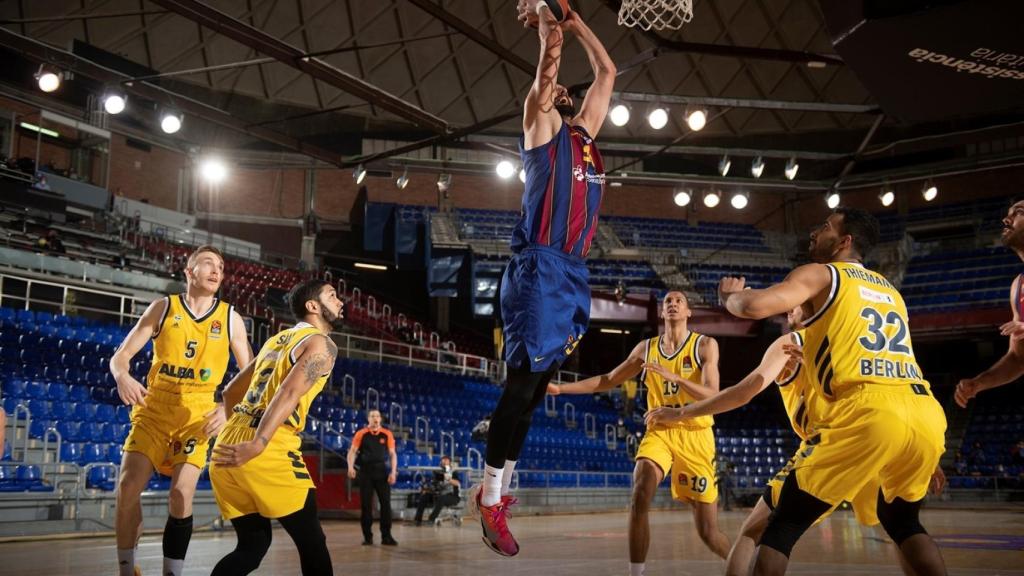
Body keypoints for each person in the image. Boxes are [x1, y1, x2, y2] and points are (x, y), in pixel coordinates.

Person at [716, 207, 947, 576]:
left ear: (844, 241)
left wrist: (729, 297)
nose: (815, 231)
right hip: (924, 412)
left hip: (867, 410)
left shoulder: (822, 274)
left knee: (781, 529)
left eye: (824, 226)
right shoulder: (890, 290)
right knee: (904, 523)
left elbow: (755, 306)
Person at [646, 305, 943, 576]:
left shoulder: (791, 344)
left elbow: (743, 391)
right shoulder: (846, 342)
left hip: (832, 443)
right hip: (879, 436)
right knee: (902, 525)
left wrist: (681, 413)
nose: (789, 310)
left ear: (816, 306)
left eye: (797, 304)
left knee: (759, 531)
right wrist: (920, 452)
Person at [477, 0, 616, 557]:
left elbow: (607, 74)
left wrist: (575, 19)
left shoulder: (587, 136)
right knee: (520, 388)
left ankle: (498, 487)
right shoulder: (539, 125)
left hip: (573, 274)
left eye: (565, 92)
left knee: (534, 394)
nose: (561, 92)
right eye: (556, 90)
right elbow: (547, 71)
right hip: (539, 266)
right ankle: (489, 498)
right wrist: (546, 25)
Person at [551, 291, 730, 576]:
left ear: (688, 312)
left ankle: (747, 565)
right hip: (659, 430)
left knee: (708, 532)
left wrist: (675, 378)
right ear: (661, 312)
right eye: (667, 301)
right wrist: (562, 389)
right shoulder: (646, 349)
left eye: (679, 301)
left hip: (695, 434)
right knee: (640, 492)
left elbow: (713, 395)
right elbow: (609, 379)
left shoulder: (705, 345)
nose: (672, 304)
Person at [108, 245, 252, 576]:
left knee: (180, 494)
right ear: (189, 272)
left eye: (220, 266)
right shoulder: (163, 308)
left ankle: (172, 572)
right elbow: (120, 356)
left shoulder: (230, 319)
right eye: (208, 264)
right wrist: (122, 376)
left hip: (198, 415)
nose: (217, 270)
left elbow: (251, 377)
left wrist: (227, 410)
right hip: (155, 409)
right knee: (127, 487)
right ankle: (127, 570)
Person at [208, 279, 343, 576]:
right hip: (266, 446)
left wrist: (242, 430)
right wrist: (258, 441)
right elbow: (289, 393)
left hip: (227, 444)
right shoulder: (322, 343)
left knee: (251, 547)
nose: (340, 302)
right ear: (312, 306)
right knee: (312, 543)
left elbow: (230, 392)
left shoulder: (274, 340)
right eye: (332, 296)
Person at [956, 198, 1024, 407]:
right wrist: (980, 383)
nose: (1006, 219)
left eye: (1018, 212)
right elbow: (1018, 358)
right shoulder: (1018, 285)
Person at [347, 409, 399, 546]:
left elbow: (392, 454)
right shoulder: (361, 433)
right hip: (366, 472)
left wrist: (393, 472)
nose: (375, 418)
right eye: (372, 416)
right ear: (368, 419)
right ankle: (367, 536)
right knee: (366, 505)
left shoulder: (387, 434)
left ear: (380, 419)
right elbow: (352, 452)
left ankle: (386, 536)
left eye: (377, 416)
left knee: (386, 504)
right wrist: (350, 467)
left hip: (381, 472)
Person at [414, 455, 461, 526]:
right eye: (443, 460)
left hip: (453, 496)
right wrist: (427, 490)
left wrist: (448, 478)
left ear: (450, 462)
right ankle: (418, 520)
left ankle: (431, 520)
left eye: (446, 460)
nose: (444, 461)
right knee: (424, 496)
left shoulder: (453, 472)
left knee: (442, 498)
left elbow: (457, 483)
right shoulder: (439, 473)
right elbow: (435, 485)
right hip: (440, 495)